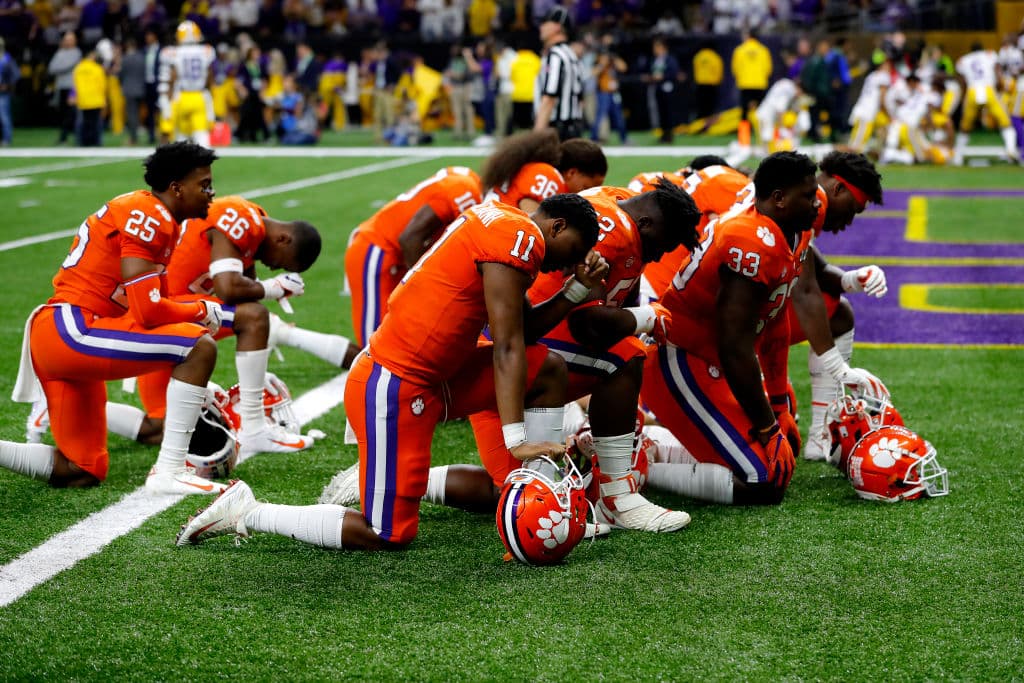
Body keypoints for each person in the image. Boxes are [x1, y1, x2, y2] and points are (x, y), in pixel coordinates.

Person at [177, 195, 604, 551]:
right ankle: (247, 510)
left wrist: (577, 290)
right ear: (558, 227)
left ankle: (538, 497)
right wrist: (518, 438)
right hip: (394, 383)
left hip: (437, 374)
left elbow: (522, 333)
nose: (568, 265)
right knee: (388, 534)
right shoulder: (518, 236)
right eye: (574, 252)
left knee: (546, 366)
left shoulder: (507, 222)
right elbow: (507, 345)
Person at [325, 181, 704, 533]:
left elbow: (533, 327)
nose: (662, 255)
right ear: (646, 222)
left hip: (480, 359)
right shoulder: (596, 232)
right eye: (666, 243)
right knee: (624, 358)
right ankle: (616, 498)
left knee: (509, 497)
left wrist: (590, 298)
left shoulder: (607, 204)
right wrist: (648, 319)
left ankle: (386, 479)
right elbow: (562, 333)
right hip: (472, 366)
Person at [3, 142, 227, 495]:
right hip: (73, 329)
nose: (211, 194)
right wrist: (201, 310)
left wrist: (198, 375)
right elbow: (149, 312)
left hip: (67, 333)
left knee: (82, 469)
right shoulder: (149, 214)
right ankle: (169, 471)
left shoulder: (157, 216)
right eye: (204, 185)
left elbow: (159, 304)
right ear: (176, 188)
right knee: (198, 347)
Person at [638, 152, 820, 506]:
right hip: (678, 357)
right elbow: (734, 343)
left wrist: (780, 406)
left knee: (786, 449)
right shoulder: (750, 240)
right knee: (765, 481)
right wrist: (767, 428)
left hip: (714, 359)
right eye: (808, 196)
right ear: (779, 199)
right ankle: (636, 465)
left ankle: (653, 444)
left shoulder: (791, 230)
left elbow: (776, 319)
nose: (816, 203)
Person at [100, 194, 336, 457]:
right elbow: (228, 288)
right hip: (158, 312)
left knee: (160, 427)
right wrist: (273, 288)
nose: (271, 266)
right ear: (283, 239)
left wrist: (267, 290)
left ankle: (70, 408)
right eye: (279, 263)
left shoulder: (254, 229)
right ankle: (255, 428)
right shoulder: (239, 217)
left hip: (178, 315)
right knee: (255, 319)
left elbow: (244, 291)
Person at [344, 166, 483, 347]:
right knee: (375, 349)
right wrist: (425, 290)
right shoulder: (466, 193)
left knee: (407, 342)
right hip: (378, 250)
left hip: (400, 256)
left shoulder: (468, 179)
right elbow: (409, 238)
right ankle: (294, 335)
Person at [481, 130, 607, 213]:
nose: (587, 196)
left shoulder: (536, 169)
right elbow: (532, 221)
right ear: (572, 173)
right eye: (586, 188)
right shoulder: (548, 176)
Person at [955, 42, 1020, 164]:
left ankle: (958, 155)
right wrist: (1000, 84)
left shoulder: (964, 60)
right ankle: (1010, 149)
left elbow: (961, 79)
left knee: (965, 126)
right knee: (1004, 121)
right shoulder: (989, 55)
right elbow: (997, 70)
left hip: (972, 91)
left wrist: (964, 94)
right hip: (988, 90)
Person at [162, 20, 217, 147]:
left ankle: (183, 164)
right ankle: (204, 163)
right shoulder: (206, 50)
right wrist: (210, 90)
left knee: (182, 134)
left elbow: (173, 76)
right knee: (201, 134)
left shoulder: (174, 52)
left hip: (182, 96)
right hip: (199, 96)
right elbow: (210, 74)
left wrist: (168, 98)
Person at [533, 5, 584, 140]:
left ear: (557, 27)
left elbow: (549, 98)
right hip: (573, 126)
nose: (541, 27)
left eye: (545, 23)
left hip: (557, 130)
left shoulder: (556, 55)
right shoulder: (570, 54)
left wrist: (536, 136)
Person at [590, 42, 628, 144]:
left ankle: (624, 139)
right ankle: (594, 138)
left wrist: (614, 58)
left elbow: (624, 67)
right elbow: (593, 73)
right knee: (600, 116)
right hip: (603, 94)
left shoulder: (613, 63)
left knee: (619, 117)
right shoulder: (598, 63)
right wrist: (602, 63)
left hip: (614, 93)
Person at [731, 29, 772, 121]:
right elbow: (768, 68)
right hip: (760, 83)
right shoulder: (764, 50)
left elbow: (735, 68)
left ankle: (744, 134)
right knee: (761, 110)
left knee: (744, 110)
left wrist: (740, 78)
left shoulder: (740, 50)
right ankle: (760, 131)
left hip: (744, 83)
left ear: (748, 36)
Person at [48, 31, 81, 145]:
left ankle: (74, 137)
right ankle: (63, 138)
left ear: (74, 41)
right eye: (66, 39)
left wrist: (59, 67)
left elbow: (68, 66)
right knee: (62, 114)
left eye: (70, 39)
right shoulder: (60, 52)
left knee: (71, 113)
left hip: (73, 87)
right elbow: (51, 68)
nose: (68, 41)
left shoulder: (77, 52)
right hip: (61, 87)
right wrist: (61, 68)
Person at [72, 41, 107, 147]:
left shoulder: (78, 68)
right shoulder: (97, 68)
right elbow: (102, 85)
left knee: (83, 123)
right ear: (91, 55)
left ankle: (81, 142)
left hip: (82, 99)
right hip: (96, 99)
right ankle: (97, 142)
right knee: (96, 123)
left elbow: (74, 85)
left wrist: (74, 97)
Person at [648, 36, 680, 144]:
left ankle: (669, 135)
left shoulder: (670, 59)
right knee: (661, 113)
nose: (654, 50)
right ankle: (663, 135)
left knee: (668, 113)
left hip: (668, 89)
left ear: (662, 47)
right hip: (658, 89)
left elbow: (674, 73)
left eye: (656, 47)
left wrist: (663, 76)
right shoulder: (655, 60)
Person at [692, 41, 723, 120]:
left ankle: (699, 124)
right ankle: (709, 124)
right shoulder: (714, 56)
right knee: (710, 106)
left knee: (700, 105)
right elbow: (718, 70)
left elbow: (695, 69)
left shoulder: (698, 56)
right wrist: (718, 81)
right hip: (711, 84)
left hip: (700, 84)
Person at [0, 36, 15, 145]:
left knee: (4, 116)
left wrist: (7, 85)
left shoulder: (6, 58)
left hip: (2, 93)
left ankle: (6, 139)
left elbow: (15, 74)